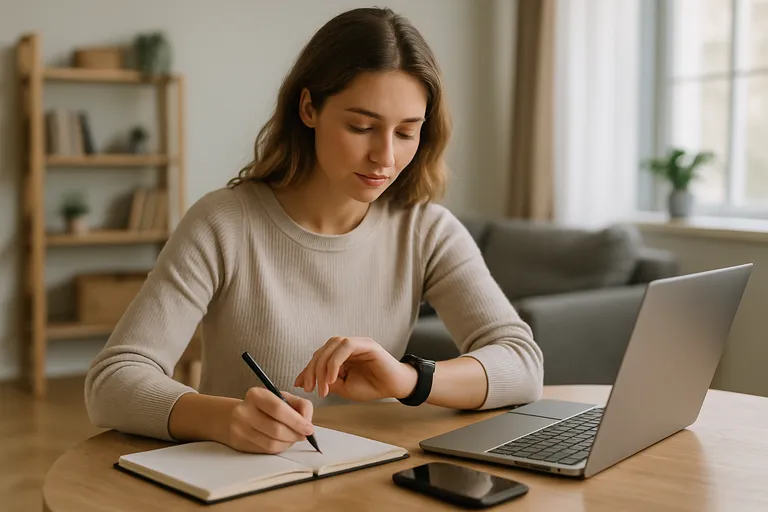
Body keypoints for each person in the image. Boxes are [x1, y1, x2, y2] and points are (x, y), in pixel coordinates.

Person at [85, 7, 543, 455]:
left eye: (406, 132)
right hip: (248, 485)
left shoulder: (426, 230)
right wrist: (222, 419)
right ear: (308, 108)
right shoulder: (223, 223)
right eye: (361, 126)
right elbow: (114, 379)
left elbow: (522, 363)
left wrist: (408, 379)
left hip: (374, 483)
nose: (385, 157)